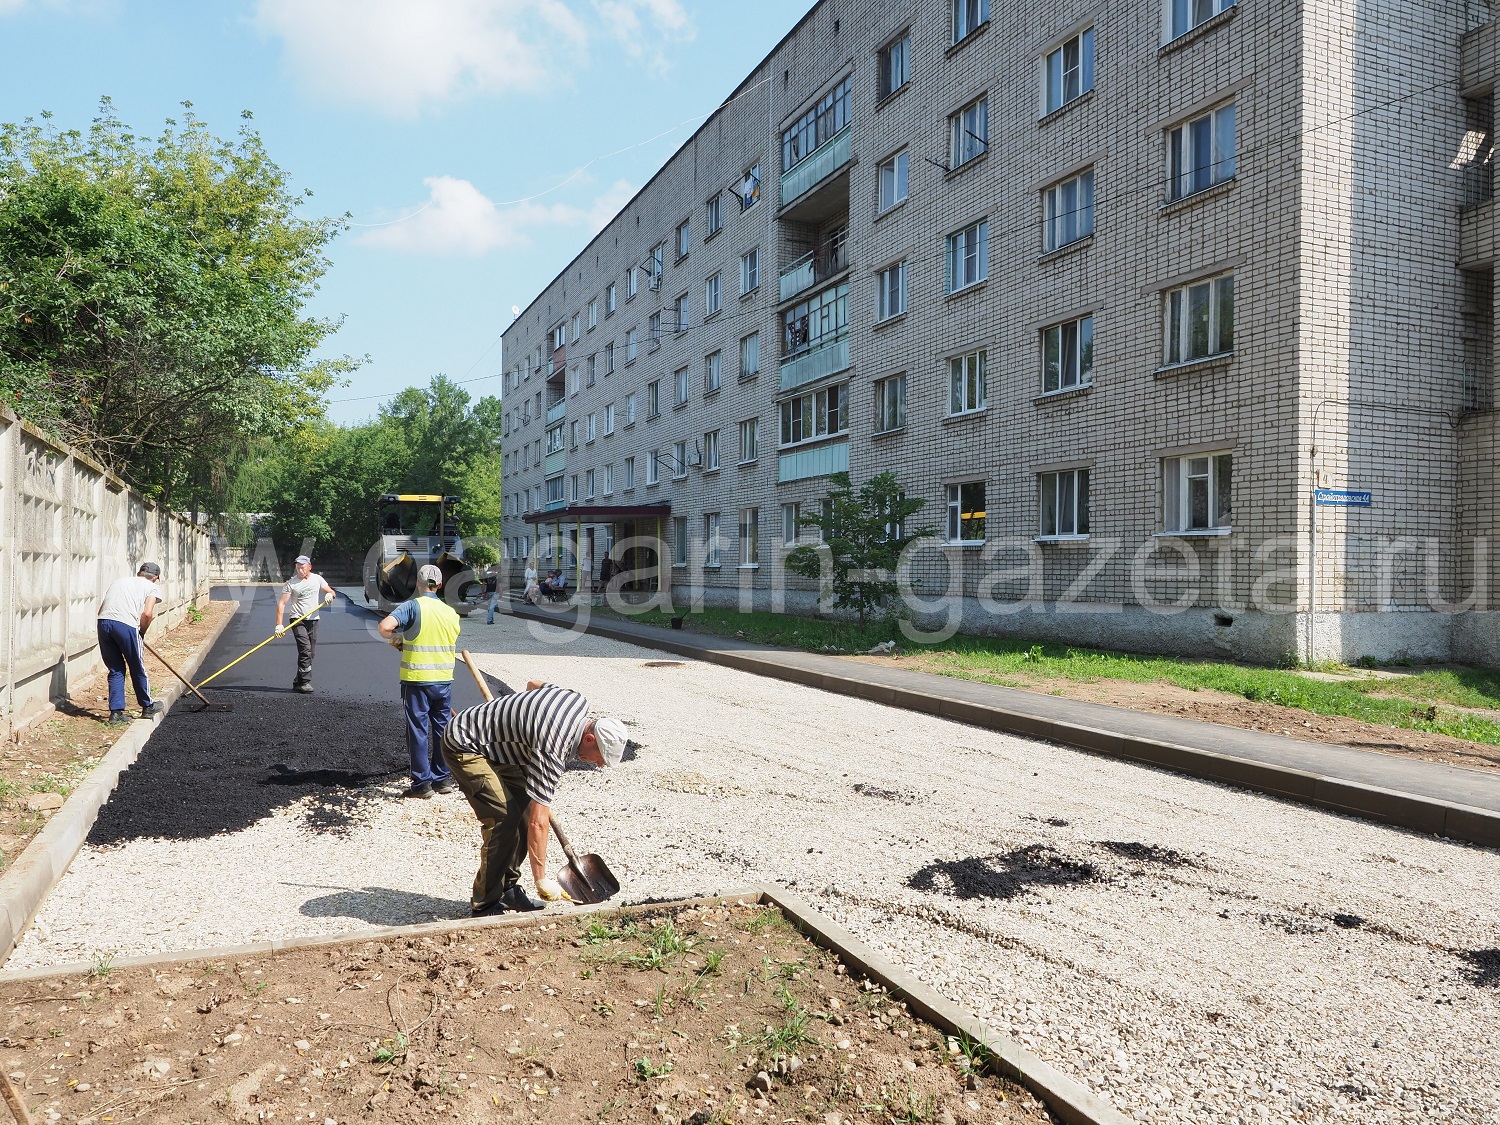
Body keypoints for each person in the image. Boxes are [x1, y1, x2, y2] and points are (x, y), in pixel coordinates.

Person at [442, 680, 628, 915]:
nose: (599, 765)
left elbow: (533, 684)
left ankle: (508, 889)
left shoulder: (575, 700)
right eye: (601, 757)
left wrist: (521, 725)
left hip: (501, 749)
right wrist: (541, 880)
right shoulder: (553, 748)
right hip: (465, 743)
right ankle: (485, 904)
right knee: (503, 818)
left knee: (524, 810)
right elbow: (539, 823)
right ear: (589, 739)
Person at [378, 563, 461, 799]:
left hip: (416, 680)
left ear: (418, 584)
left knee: (418, 731)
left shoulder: (413, 607)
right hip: (444, 680)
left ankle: (421, 784)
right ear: (441, 585)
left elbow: (384, 627)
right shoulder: (450, 613)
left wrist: (398, 640)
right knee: (442, 730)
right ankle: (442, 780)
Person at [96, 562, 165, 724]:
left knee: (115, 669)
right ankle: (148, 706)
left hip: (103, 622)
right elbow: (148, 613)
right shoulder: (151, 587)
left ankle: (116, 713)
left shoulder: (119, 581)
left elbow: (101, 609)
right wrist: (140, 632)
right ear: (155, 577)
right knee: (137, 665)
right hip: (126, 625)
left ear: (139, 572)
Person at [274, 555, 336, 694]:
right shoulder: (291, 583)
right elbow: (282, 603)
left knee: (310, 653)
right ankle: (304, 682)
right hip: (297, 620)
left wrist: (329, 595)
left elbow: (330, 591)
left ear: (309, 566)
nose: (300, 571)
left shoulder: (317, 579)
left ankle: (298, 681)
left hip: (313, 620)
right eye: (297, 568)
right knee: (305, 650)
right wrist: (279, 625)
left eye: (302, 568)